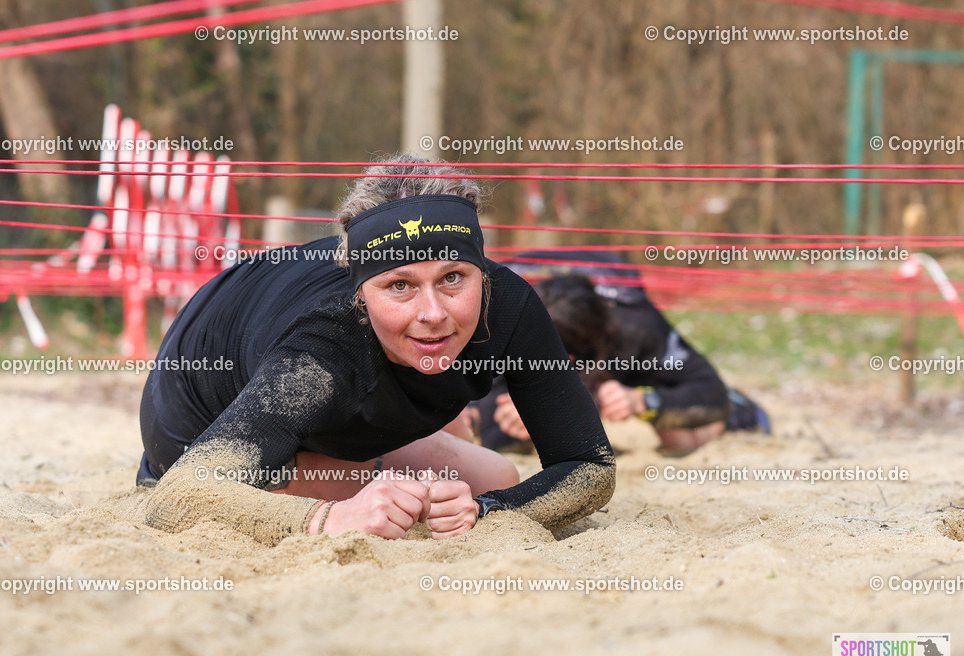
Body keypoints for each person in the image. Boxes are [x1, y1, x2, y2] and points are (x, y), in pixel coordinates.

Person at [139, 156, 615, 544]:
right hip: (200, 427)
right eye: (400, 285)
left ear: (481, 271)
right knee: (391, 505)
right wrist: (330, 519)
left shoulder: (509, 302)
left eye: (453, 277)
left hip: (329, 374)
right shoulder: (320, 351)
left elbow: (590, 465)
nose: (433, 312)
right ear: (361, 293)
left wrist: (490, 509)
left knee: (494, 477)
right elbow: (180, 496)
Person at [475, 251, 770, 456]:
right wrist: (534, 411)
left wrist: (641, 400)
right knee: (476, 428)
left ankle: (739, 413)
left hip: (619, 358)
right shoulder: (499, 320)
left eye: (568, 361)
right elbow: (483, 432)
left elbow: (711, 393)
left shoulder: (635, 325)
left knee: (679, 435)